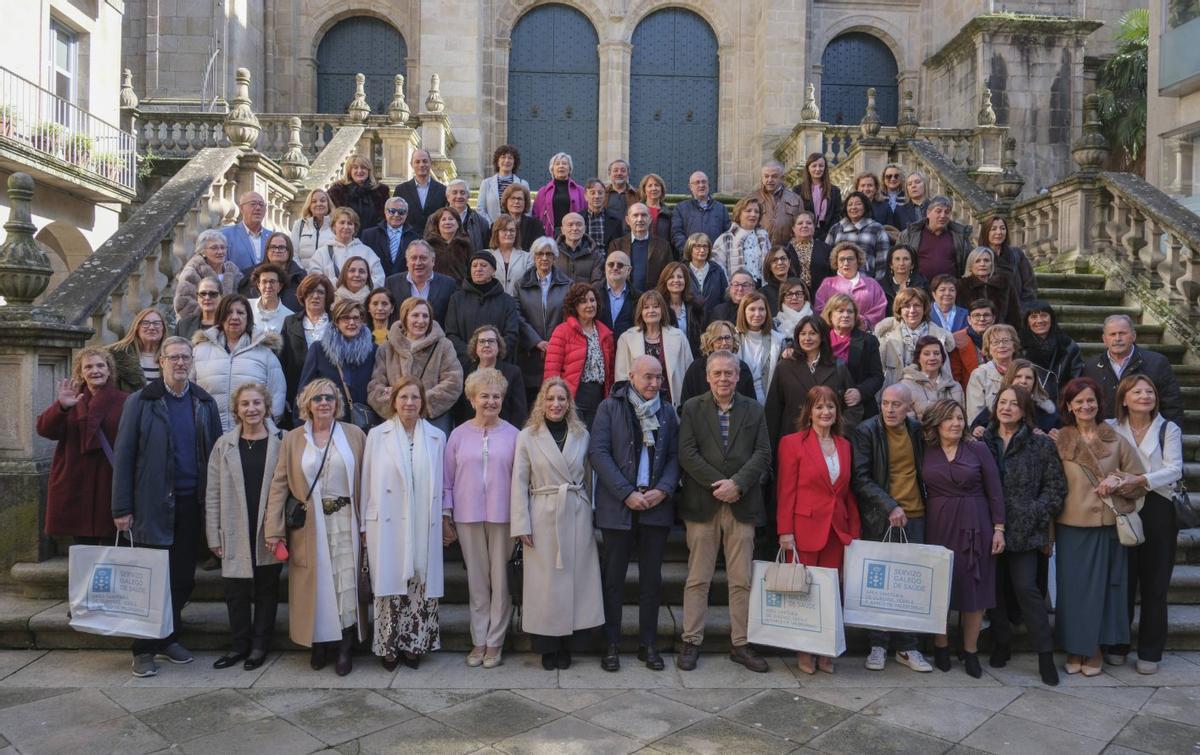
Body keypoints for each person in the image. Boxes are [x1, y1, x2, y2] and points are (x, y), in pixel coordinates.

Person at [112, 336, 223, 677]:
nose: (179, 362)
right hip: (152, 504)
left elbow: (216, 458)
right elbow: (125, 455)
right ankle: (143, 649)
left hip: (192, 504)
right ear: (160, 361)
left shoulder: (204, 402)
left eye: (185, 357)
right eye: (173, 357)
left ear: (192, 362)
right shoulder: (141, 401)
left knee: (182, 579)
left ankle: (168, 636)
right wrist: (121, 508)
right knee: (150, 579)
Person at [676, 350, 774, 673]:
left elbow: (763, 453)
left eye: (728, 373)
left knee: (741, 579)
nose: (723, 379)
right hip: (703, 504)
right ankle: (691, 640)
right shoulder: (691, 408)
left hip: (741, 505)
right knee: (697, 578)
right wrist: (721, 484)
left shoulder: (754, 409)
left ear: (738, 376)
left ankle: (741, 643)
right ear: (707, 376)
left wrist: (739, 485)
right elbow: (687, 453)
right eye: (717, 373)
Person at [264, 378, 367, 676]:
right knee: (315, 585)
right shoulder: (294, 438)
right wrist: (273, 527)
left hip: (346, 519)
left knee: (344, 582)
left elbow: (367, 479)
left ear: (337, 404)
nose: (324, 403)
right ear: (307, 404)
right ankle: (319, 643)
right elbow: (279, 484)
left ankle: (346, 644)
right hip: (309, 524)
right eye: (317, 398)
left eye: (329, 398)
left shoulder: (355, 434)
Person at [591, 355, 680, 671]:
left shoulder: (668, 411)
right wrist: (626, 493)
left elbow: (673, 456)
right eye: (647, 377)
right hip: (619, 507)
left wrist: (664, 489)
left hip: (655, 507)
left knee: (651, 582)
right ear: (631, 376)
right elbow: (598, 453)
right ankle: (611, 644)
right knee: (613, 579)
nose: (654, 383)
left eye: (658, 377)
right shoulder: (609, 407)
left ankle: (648, 644)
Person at [1053, 376, 1145, 677]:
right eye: (1079, 401)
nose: (1085, 405)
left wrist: (1116, 481)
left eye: (1090, 400)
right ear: (1069, 405)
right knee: (1074, 592)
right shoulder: (1060, 440)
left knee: (1103, 591)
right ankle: (1075, 647)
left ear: (1099, 403)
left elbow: (1139, 481)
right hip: (1071, 525)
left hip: (1106, 526)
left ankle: (1094, 649)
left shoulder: (1117, 440)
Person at [510, 378, 604, 670]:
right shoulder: (527, 436)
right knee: (545, 584)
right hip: (542, 513)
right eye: (550, 398)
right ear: (542, 401)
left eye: (562, 399)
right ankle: (547, 646)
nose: (556, 404)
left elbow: (590, 477)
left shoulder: (582, 434)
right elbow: (519, 482)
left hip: (575, 511)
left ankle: (569, 644)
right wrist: (521, 524)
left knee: (575, 580)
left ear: (569, 403)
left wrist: (592, 511)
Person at [360, 377, 448, 671]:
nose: (409, 403)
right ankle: (388, 646)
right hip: (387, 522)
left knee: (419, 582)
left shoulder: (436, 437)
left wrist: (446, 516)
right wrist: (363, 524)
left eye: (415, 397)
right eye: (403, 397)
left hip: (423, 522)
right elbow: (366, 481)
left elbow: (444, 483)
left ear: (423, 402)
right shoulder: (377, 435)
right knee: (390, 583)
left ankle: (414, 644)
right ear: (393, 401)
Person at [982, 385, 1066, 685]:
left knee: (1027, 590)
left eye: (1014, 404)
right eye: (1002, 402)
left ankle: (1044, 655)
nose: (1007, 408)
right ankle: (1001, 643)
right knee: (996, 592)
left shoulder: (1040, 444)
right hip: (989, 529)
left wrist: (1035, 513)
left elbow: (1055, 488)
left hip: (1026, 531)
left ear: (1024, 410)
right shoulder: (982, 442)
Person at [850, 384, 935, 673]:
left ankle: (908, 647)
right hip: (882, 517)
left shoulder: (917, 431)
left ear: (910, 407)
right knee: (880, 583)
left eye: (897, 404)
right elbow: (860, 478)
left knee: (910, 585)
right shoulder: (866, 431)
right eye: (885, 403)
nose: (889, 409)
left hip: (916, 516)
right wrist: (890, 506)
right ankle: (878, 645)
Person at [777, 385, 860, 674]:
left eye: (831, 407)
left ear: (837, 412)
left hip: (837, 530)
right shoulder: (792, 443)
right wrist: (785, 530)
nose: (825, 412)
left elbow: (847, 493)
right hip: (804, 528)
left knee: (831, 594)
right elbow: (786, 490)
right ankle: (803, 650)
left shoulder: (845, 445)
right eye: (819, 407)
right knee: (805, 592)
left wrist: (854, 531)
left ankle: (825, 650)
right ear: (809, 412)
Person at [920, 398, 1005, 678]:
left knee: (974, 588)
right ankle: (941, 644)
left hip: (975, 522)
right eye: (949, 418)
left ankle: (970, 650)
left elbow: (995, 490)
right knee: (940, 586)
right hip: (938, 523)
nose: (956, 423)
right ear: (937, 423)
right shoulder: (926, 449)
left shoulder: (977, 448)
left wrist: (999, 528)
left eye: (960, 418)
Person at [204, 382, 284, 671]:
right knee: (235, 591)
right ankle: (239, 644)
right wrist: (213, 534)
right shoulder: (224, 445)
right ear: (236, 410)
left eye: (257, 403)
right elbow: (212, 493)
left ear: (266, 407)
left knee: (267, 589)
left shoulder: (281, 441)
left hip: (268, 528)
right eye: (245, 404)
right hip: (234, 527)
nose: (251, 409)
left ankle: (260, 644)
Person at [1108, 374, 1184, 675]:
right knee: (1122, 581)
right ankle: (1118, 643)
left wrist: (1141, 480)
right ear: (1124, 398)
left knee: (1154, 584)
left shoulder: (1169, 428)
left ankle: (1151, 649)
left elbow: (1174, 469)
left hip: (1158, 508)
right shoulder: (1112, 428)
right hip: (1122, 506)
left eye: (1149, 391)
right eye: (1137, 391)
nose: (1144, 396)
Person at [444, 369, 519, 668]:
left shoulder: (515, 435)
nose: (490, 401)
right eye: (484, 396)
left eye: (496, 396)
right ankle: (478, 639)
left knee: (501, 582)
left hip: (504, 517)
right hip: (468, 515)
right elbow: (447, 480)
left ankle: (495, 642)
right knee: (477, 581)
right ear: (472, 399)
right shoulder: (458, 435)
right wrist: (447, 516)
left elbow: (522, 478)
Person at [37, 347, 126, 544]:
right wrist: (61, 407)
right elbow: (45, 430)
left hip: (108, 480)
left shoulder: (125, 400)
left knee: (113, 544)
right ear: (81, 373)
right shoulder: (71, 400)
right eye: (89, 367)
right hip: (76, 481)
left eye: (101, 365)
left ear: (109, 370)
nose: (95, 370)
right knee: (83, 549)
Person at [190, 294, 286, 431]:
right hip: (208, 434)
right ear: (221, 317)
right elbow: (189, 391)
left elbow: (277, 395)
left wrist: (264, 428)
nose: (235, 317)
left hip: (251, 435)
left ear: (248, 318)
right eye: (229, 312)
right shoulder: (199, 351)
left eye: (240, 312)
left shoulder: (265, 353)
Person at [368, 297, 463, 435]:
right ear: (404, 317)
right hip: (396, 422)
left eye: (425, 316)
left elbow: (454, 382)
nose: (421, 320)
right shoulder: (387, 348)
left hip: (433, 421)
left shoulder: (443, 346)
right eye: (415, 315)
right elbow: (375, 387)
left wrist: (421, 404)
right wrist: (399, 404)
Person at [766, 315, 860, 444]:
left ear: (822, 337)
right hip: (793, 439)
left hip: (828, 440)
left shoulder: (838, 366)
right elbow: (773, 409)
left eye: (812, 333)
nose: (807, 338)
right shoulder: (784, 367)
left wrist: (840, 431)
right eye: (803, 334)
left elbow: (853, 407)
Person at [1084, 314, 1183, 426]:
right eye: (1112, 334)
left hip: (1147, 434)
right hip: (1106, 434)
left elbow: (1172, 404)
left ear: (1133, 336)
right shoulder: (1091, 366)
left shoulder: (1157, 363)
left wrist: (1168, 434)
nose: (1117, 338)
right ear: (1104, 339)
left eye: (1122, 333)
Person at [544, 282, 615, 426]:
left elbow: (611, 372)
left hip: (600, 399)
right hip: (573, 398)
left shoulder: (606, 334)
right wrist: (554, 400)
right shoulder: (562, 331)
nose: (589, 305)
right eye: (583, 301)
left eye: (592, 300)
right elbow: (552, 372)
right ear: (574, 306)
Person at [299, 299, 377, 426]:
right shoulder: (319, 350)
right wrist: (301, 426)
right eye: (345, 318)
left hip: (363, 425)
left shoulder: (373, 351)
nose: (352, 322)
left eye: (356, 318)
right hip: (327, 423)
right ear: (336, 322)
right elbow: (304, 390)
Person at [614, 290, 693, 408]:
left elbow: (689, 372)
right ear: (641, 312)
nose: (651, 311)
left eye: (656, 307)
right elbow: (621, 378)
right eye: (646, 307)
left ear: (662, 310)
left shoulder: (679, 336)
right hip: (638, 405)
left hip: (672, 403)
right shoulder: (626, 339)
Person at [516, 238, 572, 403]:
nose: (544, 258)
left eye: (549, 254)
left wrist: (554, 343)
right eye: (540, 254)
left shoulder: (568, 284)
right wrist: (536, 341)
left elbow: (569, 316)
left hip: (559, 353)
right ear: (534, 257)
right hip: (530, 354)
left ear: (555, 258)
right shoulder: (521, 285)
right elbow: (518, 316)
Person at [445, 251, 523, 366]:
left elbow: (512, 334)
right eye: (474, 265)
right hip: (465, 365)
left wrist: (491, 355)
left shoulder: (507, 301)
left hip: (498, 364)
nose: (478, 269)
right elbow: (451, 334)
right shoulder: (457, 299)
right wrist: (472, 354)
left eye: (483, 265)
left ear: (493, 271)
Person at [875, 287, 955, 390]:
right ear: (899, 309)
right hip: (895, 395)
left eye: (917, 305)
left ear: (924, 308)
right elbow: (879, 372)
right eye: (907, 306)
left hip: (929, 396)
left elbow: (945, 374)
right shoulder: (886, 336)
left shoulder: (938, 336)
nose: (912, 310)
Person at [280, 274, 333, 423]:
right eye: (310, 292)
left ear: (327, 296)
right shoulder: (290, 322)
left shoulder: (336, 322)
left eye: (321, 292)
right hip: (298, 392)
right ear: (303, 295)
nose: (315, 296)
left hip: (330, 393)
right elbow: (282, 360)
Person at [821, 293, 884, 419]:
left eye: (850, 311)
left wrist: (860, 392)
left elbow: (877, 377)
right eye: (840, 311)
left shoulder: (868, 341)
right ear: (830, 315)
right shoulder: (821, 340)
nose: (845, 315)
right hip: (824, 409)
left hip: (860, 411)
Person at [814, 242, 889, 330]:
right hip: (835, 335)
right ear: (836, 262)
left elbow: (880, 307)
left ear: (858, 261)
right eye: (842, 259)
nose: (846, 263)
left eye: (850, 259)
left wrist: (862, 321)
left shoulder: (872, 284)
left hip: (865, 335)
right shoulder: (828, 284)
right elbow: (819, 309)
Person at [306, 207, 386, 289]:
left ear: (354, 228)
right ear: (333, 226)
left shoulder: (367, 252)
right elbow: (315, 278)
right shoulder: (321, 253)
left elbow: (379, 277)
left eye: (350, 223)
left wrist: (361, 291)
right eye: (342, 223)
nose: (346, 227)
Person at [897, 196, 973, 282]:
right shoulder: (910, 234)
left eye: (947, 212)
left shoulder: (959, 236)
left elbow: (970, 262)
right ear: (928, 213)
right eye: (938, 211)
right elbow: (896, 260)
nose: (943, 215)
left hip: (948, 290)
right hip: (918, 290)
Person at [1020, 300, 1083, 402]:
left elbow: (1076, 378)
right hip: (1028, 403)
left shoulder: (1068, 346)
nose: (1039, 321)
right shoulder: (1019, 347)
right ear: (1027, 321)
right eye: (1034, 317)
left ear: (1051, 318)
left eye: (1044, 315)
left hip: (1061, 404)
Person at [679, 321, 757, 404]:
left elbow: (751, 405)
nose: (724, 343)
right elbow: (685, 406)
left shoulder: (742, 367)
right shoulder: (696, 369)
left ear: (733, 340)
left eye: (727, 337)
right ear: (710, 342)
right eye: (719, 339)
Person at [383, 239, 458, 326]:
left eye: (423, 258)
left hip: (436, 337)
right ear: (407, 262)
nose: (418, 263)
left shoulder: (448, 284)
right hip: (401, 337)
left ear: (433, 261)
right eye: (414, 258)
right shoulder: (392, 283)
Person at [174, 229, 242, 319]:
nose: (220, 252)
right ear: (202, 251)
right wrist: (215, 316)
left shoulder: (233, 271)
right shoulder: (191, 273)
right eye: (214, 248)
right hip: (200, 328)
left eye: (223, 247)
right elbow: (184, 305)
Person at [609, 202, 673, 294]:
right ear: (627, 220)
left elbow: (668, 275)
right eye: (635, 215)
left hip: (654, 300)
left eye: (644, 215)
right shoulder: (617, 245)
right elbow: (611, 274)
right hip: (625, 298)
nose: (640, 219)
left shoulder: (663, 246)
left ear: (650, 219)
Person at [966, 324, 1019, 430]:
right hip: (989, 431)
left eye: (1005, 341)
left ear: (1014, 345)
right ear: (988, 348)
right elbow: (975, 415)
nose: (1001, 346)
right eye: (995, 342)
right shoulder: (979, 375)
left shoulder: (1024, 371)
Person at [825, 191, 889, 278]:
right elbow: (827, 257)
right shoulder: (836, 228)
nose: (853, 207)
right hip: (840, 284)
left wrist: (876, 285)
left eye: (858, 204)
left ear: (865, 206)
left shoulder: (876, 228)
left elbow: (883, 262)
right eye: (850, 204)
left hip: (866, 282)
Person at [735, 292, 785, 404]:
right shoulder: (732, 338)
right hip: (740, 399)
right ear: (743, 312)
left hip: (769, 400)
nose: (757, 314)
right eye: (752, 309)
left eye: (761, 309)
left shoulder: (778, 340)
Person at [900, 335, 965, 418]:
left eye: (936, 353)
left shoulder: (955, 387)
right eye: (926, 354)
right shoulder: (906, 386)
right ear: (918, 358)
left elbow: (962, 419)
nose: (932, 358)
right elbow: (908, 422)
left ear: (942, 358)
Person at [241, 232, 306, 313]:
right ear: (267, 250)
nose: (277, 250)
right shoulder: (251, 275)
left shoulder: (300, 277)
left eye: (282, 247)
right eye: (273, 247)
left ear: (289, 251)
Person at [712, 196, 771, 285]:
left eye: (756, 211)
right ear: (739, 214)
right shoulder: (726, 238)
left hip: (761, 289)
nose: (753, 214)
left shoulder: (764, 237)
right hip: (737, 290)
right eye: (748, 211)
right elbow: (717, 268)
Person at [957, 247, 1022, 327]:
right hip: (970, 333)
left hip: (1000, 333)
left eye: (986, 260)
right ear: (971, 265)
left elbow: (1014, 314)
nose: (982, 264)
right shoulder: (961, 285)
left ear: (992, 264)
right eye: (977, 261)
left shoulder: (1005, 284)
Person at [108, 307, 166, 392]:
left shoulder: (173, 356)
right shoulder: (117, 355)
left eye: (156, 323)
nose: (151, 327)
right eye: (145, 323)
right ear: (137, 327)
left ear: (163, 328)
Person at [980, 216, 1037, 302]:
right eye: (994, 229)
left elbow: (1029, 283)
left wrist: (1024, 306)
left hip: (1017, 308)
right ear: (986, 232)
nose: (999, 232)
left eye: (1002, 228)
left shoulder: (1016, 254)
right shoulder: (979, 256)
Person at [327, 154, 390, 232]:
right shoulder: (337, 191)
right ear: (349, 171)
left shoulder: (381, 190)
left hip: (373, 238)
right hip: (346, 236)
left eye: (363, 168)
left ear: (368, 170)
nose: (359, 171)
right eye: (355, 168)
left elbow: (385, 217)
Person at [392, 148, 447, 236]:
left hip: (435, 241)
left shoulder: (442, 190)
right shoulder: (401, 190)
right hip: (408, 240)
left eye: (425, 161)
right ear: (411, 165)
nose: (421, 165)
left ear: (430, 163)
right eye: (417, 162)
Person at [360, 197, 417, 280]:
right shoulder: (369, 235)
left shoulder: (415, 238)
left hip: (403, 284)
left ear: (406, 214)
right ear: (385, 212)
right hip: (375, 283)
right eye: (392, 211)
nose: (396, 215)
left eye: (401, 212)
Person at [671, 170, 730, 250]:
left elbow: (727, 234)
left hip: (715, 258)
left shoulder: (721, 208)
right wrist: (689, 251)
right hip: (689, 259)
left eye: (704, 182)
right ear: (690, 187)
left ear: (708, 184)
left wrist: (719, 252)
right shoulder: (681, 208)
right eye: (697, 182)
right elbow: (676, 233)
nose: (701, 185)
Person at [657, 261, 706, 356]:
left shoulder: (696, 307)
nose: (676, 280)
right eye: (671, 277)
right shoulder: (658, 307)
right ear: (665, 280)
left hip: (691, 358)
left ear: (686, 281)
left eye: (680, 277)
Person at [532, 152, 587, 237]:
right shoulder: (543, 191)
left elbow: (586, 214)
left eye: (564, 163)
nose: (561, 166)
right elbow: (536, 215)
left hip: (574, 234)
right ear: (552, 169)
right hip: (549, 234)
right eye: (557, 164)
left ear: (569, 168)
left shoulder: (581, 191)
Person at [999, 358, 1061, 432]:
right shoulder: (996, 407)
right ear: (1009, 379)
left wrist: (1046, 439)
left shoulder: (1047, 414)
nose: (1023, 381)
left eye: (1028, 378)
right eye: (1018, 376)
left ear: (1034, 382)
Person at [950, 299, 996, 393]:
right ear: (969, 319)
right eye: (977, 315)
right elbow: (955, 377)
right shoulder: (956, 340)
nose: (982, 319)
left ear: (993, 319)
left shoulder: (1002, 339)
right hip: (969, 393)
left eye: (986, 315)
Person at [752, 160, 802, 245]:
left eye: (774, 176)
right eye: (766, 176)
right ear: (762, 178)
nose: (770, 180)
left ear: (782, 178)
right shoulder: (752, 199)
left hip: (786, 251)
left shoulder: (795, 199)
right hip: (759, 250)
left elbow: (801, 226)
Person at [783, 211, 833, 295]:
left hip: (821, 296)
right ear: (793, 228)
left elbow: (832, 275)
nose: (804, 225)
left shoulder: (826, 249)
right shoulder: (784, 250)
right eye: (800, 223)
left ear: (814, 227)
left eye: (809, 223)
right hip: (792, 296)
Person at [594, 250, 640, 340]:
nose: (615, 268)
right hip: (599, 349)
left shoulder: (638, 297)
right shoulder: (593, 293)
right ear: (605, 267)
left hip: (627, 349)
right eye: (611, 264)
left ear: (629, 270)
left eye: (620, 265)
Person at [477, 144, 530, 221]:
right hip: (492, 229)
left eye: (510, 158)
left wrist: (518, 226)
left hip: (516, 229)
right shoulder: (486, 183)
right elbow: (480, 209)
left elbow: (527, 209)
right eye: (503, 157)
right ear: (497, 161)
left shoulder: (523, 184)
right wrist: (492, 225)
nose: (506, 160)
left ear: (514, 162)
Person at [222, 191, 273, 272]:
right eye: (253, 204)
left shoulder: (272, 237)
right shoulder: (226, 235)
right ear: (241, 208)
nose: (258, 208)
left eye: (261, 205)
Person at [796, 153, 842, 240]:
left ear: (825, 168)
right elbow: (796, 214)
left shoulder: (834, 191)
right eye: (814, 166)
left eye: (821, 166)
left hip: (827, 235)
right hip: (805, 234)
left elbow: (837, 215)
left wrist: (829, 233)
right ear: (808, 168)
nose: (817, 169)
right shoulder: (798, 190)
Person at [424, 206, 474, 285]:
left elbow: (470, 271)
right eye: (443, 219)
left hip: (459, 290)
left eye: (451, 219)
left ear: (458, 223)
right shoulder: (428, 246)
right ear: (437, 224)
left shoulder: (466, 245)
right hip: (435, 289)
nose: (447, 222)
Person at [683, 233, 728, 319]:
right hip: (689, 320)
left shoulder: (717, 270)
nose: (702, 250)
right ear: (690, 249)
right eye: (698, 246)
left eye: (705, 246)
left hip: (713, 319)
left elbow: (724, 297)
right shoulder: (682, 270)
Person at [486, 214, 532, 296]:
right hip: (492, 303)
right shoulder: (486, 256)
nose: (508, 233)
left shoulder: (527, 257)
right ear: (497, 233)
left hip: (518, 305)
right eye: (504, 230)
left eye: (512, 230)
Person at [291, 188, 335, 267]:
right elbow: (294, 254)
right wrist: (302, 274)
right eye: (314, 201)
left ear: (328, 204)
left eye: (322, 201)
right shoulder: (299, 225)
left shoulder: (335, 225)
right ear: (309, 206)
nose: (318, 204)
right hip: (304, 277)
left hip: (328, 277)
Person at [555, 212, 603, 284]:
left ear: (584, 229)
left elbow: (597, 283)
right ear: (562, 230)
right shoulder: (553, 255)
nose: (574, 228)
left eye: (579, 225)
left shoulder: (596, 256)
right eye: (570, 225)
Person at [447, 178, 492, 252]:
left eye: (462, 193)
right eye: (454, 193)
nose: (459, 196)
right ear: (448, 197)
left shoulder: (481, 222)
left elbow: (486, 250)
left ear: (468, 196)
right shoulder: (435, 219)